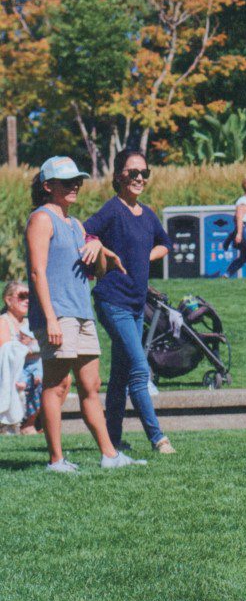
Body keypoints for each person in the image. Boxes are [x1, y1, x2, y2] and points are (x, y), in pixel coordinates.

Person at [25, 156, 144, 473]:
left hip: (81, 312)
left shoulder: (76, 225)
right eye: (67, 182)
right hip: (58, 314)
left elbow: (99, 274)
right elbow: (37, 273)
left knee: (91, 385)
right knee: (58, 386)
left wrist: (98, 251)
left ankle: (110, 455)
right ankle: (56, 460)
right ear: (48, 186)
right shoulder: (42, 219)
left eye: (77, 180)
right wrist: (50, 318)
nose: (75, 185)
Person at [86, 149, 175, 457]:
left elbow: (165, 244)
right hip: (113, 301)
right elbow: (85, 232)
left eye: (144, 173)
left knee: (122, 373)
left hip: (137, 305)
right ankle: (159, 439)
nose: (139, 178)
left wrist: (143, 256)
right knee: (139, 370)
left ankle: (112, 438)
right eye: (132, 172)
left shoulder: (147, 214)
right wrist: (99, 250)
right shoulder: (112, 210)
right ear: (119, 176)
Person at [0, 280, 41, 434]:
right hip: (12, 372)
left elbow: (43, 345)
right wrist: (33, 347)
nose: (27, 300)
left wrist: (30, 347)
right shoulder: (3, 321)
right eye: (22, 296)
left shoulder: (30, 322)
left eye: (30, 296)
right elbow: (6, 351)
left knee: (63, 379)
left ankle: (29, 424)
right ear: (8, 300)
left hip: (33, 368)